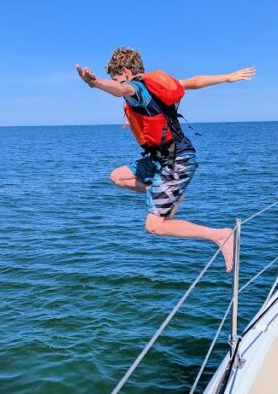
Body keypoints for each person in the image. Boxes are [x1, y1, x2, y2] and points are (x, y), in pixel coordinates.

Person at [75, 47, 255, 272]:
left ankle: (220, 236)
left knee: (154, 226)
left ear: (126, 71)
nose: (117, 82)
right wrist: (227, 77)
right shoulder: (154, 86)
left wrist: (95, 83)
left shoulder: (137, 88)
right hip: (161, 157)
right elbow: (194, 82)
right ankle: (168, 193)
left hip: (177, 159)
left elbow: (120, 90)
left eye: (117, 77)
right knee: (118, 176)